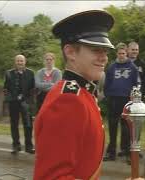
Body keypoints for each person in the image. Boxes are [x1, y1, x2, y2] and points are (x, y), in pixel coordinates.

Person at [33, 10, 115, 179]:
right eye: (95, 49)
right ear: (70, 52)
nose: (104, 57)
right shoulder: (68, 100)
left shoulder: (82, 94)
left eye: (105, 51)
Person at [103, 43, 139, 162]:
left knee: (127, 128)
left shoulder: (132, 67)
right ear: (117, 54)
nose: (122, 55)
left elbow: (136, 83)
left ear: (126, 54)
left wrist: (133, 98)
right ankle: (111, 153)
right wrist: (108, 95)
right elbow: (107, 83)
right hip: (114, 99)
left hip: (126, 100)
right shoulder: (112, 67)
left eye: (123, 53)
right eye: (119, 53)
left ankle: (129, 153)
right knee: (112, 127)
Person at [3, 54, 35, 154]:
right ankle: (16, 145)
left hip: (26, 102)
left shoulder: (30, 73)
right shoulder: (9, 73)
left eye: (21, 61)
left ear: (25, 62)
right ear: (15, 62)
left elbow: (33, 89)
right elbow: (6, 89)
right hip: (13, 102)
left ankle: (29, 146)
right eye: (18, 61)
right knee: (14, 124)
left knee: (28, 125)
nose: (20, 63)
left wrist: (28, 100)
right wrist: (11, 98)